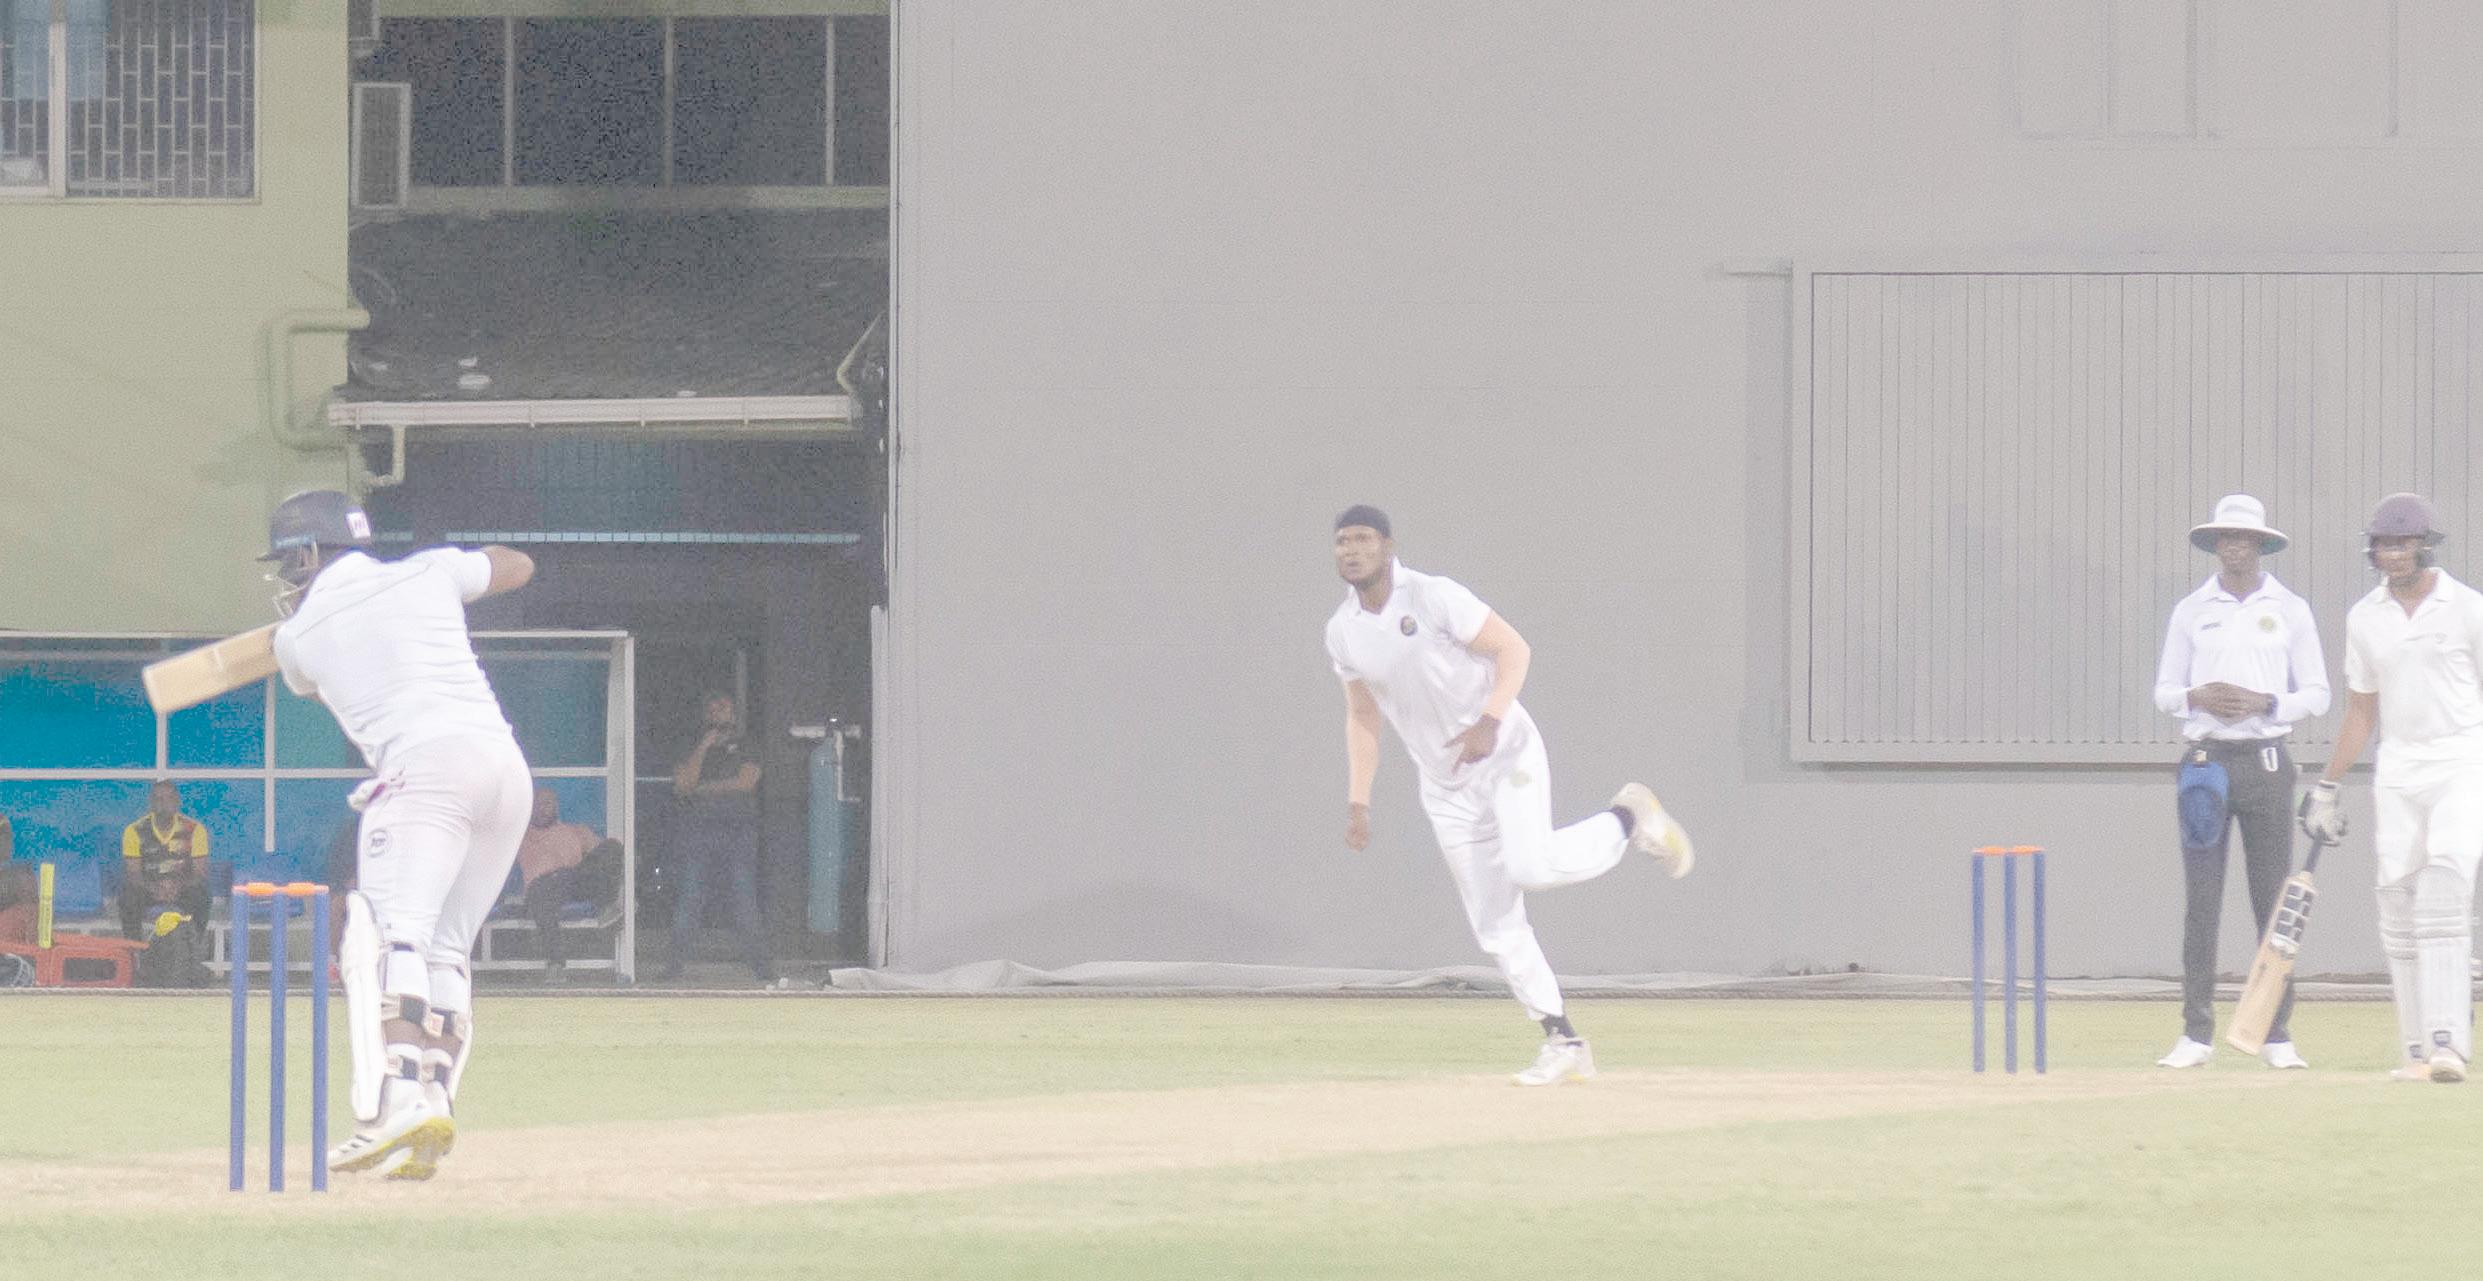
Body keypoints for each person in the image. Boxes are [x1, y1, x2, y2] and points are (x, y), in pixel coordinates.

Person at [1323, 505, 1694, 1086]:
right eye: (1343, 541)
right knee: (1495, 925)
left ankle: (1629, 817)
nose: (1351, 550)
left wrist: (1489, 722)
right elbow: (1363, 716)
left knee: (1531, 866)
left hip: (1506, 753)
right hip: (1446, 788)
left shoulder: (1434, 597)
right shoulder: (1342, 631)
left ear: (1388, 546)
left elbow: (1514, 649)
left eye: (1363, 539)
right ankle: (1564, 1041)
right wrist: (1358, 800)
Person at [262, 489, 537, 1177]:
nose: (287, 579)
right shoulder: (430, 570)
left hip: (424, 771)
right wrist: (457, 569)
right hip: (505, 770)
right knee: (447, 947)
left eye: (289, 564)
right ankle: (434, 1101)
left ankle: (399, 1100)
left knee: (386, 937)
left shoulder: (296, 639)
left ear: (308, 554)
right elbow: (518, 564)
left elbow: (309, 682)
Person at [2303, 492, 2483, 1083]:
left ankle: (2448, 1043)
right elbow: (2361, 711)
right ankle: (2416, 1050)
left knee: (2444, 892)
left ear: (2426, 546)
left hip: (2461, 760)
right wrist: (2327, 786)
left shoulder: (2468, 609)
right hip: (2398, 769)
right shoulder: (2365, 616)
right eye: (2384, 545)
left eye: (2403, 544)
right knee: (2396, 902)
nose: (2393, 554)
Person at [2148, 495, 2329, 1070]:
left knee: (2273, 902)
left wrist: (2266, 702)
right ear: (2216, 545)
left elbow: (2318, 694)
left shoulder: (2290, 609)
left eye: (2244, 537)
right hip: (2206, 764)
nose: (2235, 546)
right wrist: (2197, 696)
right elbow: (2164, 692)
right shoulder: (2192, 609)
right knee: (2201, 901)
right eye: (2226, 537)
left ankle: (2276, 1034)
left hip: (2268, 762)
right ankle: (2195, 1033)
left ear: (2260, 545)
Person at [663, 692, 775, 985]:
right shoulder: (691, 746)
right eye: (711, 709)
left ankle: (763, 968)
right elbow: (683, 784)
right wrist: (703, 746)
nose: (717, 714)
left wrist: (703, 788)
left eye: (722, 708)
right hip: (699, 831)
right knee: (690, 897)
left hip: (738, 831)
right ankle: (673, 967)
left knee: (743, 898)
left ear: (733, 714)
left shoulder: (748, 744)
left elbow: (746, 782)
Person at [514, 787, 621, 982]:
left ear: (555, 807)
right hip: (541, 885)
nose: (541, 808)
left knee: (613, 846)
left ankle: (608, 906)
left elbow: (606, 854)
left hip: (573, 879)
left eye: (546, 803)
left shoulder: (575, 831)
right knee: (541, 899)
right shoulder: (521, 835)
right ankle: (556, 964)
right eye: (537, 804)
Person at [117, 780, 211, 943]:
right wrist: (154, 889)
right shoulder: (134, 830)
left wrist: (177, 887)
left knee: (201, 894)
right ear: (151, 803)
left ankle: (194, 945)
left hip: (182, 889)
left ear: (177, 802)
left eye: (169, 799)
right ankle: (133, 948)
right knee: (128, 896)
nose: (164, 804)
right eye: (159, 799)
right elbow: (133, 873)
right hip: (149, 890)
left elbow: (199, 872)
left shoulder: (195, 829)